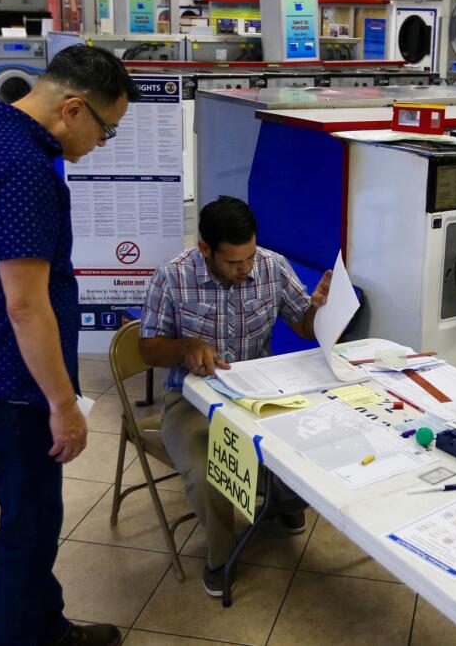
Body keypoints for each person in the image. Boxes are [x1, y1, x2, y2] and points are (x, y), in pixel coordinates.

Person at [0, 44, 137, 646]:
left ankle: (45, 629)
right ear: (73, 109)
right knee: (28, 530)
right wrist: (64, 405)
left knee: (33, 519)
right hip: (12, 386)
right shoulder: (25, 167)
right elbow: (25, 303)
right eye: (105, 130)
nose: (100, 145)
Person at [139, 197, 330, 598]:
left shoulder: (271, 265)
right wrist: (183, 347)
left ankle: (283, 500)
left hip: (260, 389)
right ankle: (222, 557)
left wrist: (321, 308)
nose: (244, 269)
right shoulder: (171, 276)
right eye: (232, 262)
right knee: (209, 470)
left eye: (248, 258)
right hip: (191, 397)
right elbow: (147, 349)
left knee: (314, 436)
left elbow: (304, 327)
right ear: (205, 248)